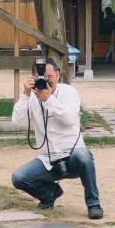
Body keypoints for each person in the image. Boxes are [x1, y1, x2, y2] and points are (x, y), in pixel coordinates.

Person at [10, 57, 104, 219]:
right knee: (19, 178)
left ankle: (93, 204)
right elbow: (18, 122)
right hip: (47, 160)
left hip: (73, 156)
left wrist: (48, 100)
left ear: (58, 75)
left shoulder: (69, 92)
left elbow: (69, 119)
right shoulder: (31, 97)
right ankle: (49, 194)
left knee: (84, 156)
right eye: (41, 76)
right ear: (33, 77)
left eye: (49, 76)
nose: (46, 80)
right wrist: (25, 95)